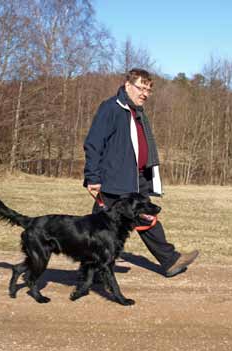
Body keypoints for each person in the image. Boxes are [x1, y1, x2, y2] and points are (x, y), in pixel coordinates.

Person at [83, 68, 198, 277]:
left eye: (148, 90)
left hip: (136, 178)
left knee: (145, 216)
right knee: (100, 226)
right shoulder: (111, 108)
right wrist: (92, 177)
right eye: (141, 88)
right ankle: (92, 271)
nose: (144, 93)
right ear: (128, 86)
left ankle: (170, 260)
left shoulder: (137, 112)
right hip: (115, 180)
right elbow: (93, 143)